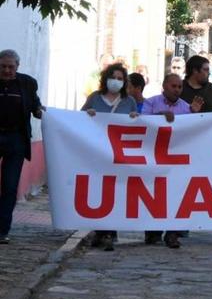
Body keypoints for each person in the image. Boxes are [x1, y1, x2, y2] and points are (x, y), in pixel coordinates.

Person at [81, 63, 138, 251]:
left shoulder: (128, 101)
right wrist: (87, 115)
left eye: (121, 78)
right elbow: (78, 120)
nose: (117, 81)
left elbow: (137, 126)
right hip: (95, 154)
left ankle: (108, 233)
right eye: (114, 77)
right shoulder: (95, 99)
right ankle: (100, 231)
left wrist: (133, 118)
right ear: (106, 78)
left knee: (114, 192)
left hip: (118, 156)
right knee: (98, 191)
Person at [141, 74, 202, 248]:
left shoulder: (186, 107)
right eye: (173, 86)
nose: (177, 90)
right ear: (165, 86)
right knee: (155, 195)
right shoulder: (151, 103)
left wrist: (194, 116)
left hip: (177, 160)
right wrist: (160, 116)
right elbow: (141, 122)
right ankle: (152, 232)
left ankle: (173, 233)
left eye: (179, 87)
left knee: (177, 196)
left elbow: (194, 131)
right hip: (154, 158)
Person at [0, 49, 43, 245]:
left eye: (11, 67)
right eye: (3, 67)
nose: (7, 70)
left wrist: (42, 112)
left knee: (9, 186)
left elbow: (36, 109)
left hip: (16, 138)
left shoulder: (27, 83)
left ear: (18, 67)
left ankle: (2, 231)